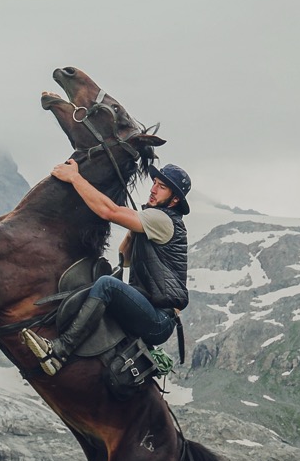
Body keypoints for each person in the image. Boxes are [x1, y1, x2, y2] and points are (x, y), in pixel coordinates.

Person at [22, 160, 192, 376]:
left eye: (162, 187)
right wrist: (134, 234)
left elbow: (108, 211)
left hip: (159, 320)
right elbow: (125, 255)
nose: (153, 189)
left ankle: (60, 351)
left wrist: (75, 177)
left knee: (107, 286)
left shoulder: (163, 219)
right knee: (101, 285)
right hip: (150, 310)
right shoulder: (154, 219)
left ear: (174, 199)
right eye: (155, 183)